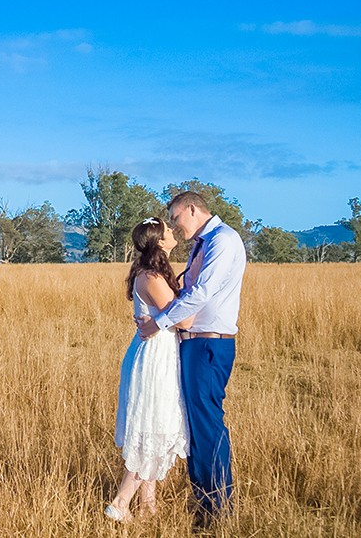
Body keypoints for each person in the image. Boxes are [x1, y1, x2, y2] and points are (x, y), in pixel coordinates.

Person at [136, 190, 247, 522]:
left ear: (193, 209)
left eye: (176, 217)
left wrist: (158, 322)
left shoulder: (223, 240)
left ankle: (217, 509)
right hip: (194, 343)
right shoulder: (204, 244)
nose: (174, 225)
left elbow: (202, 292)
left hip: (209, 344)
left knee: (207, 426)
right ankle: (205, 503)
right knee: (197, 426)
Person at [106, 217, 193, 522]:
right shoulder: (152, 277)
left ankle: (148, 504)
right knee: (153, 426)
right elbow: (184, 321)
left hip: (157, 351)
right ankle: (120, 501)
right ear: (158, 241)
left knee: (155, 424)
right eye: (168, 232)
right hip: (155, 356)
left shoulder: (151, 274)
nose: (173, 234)